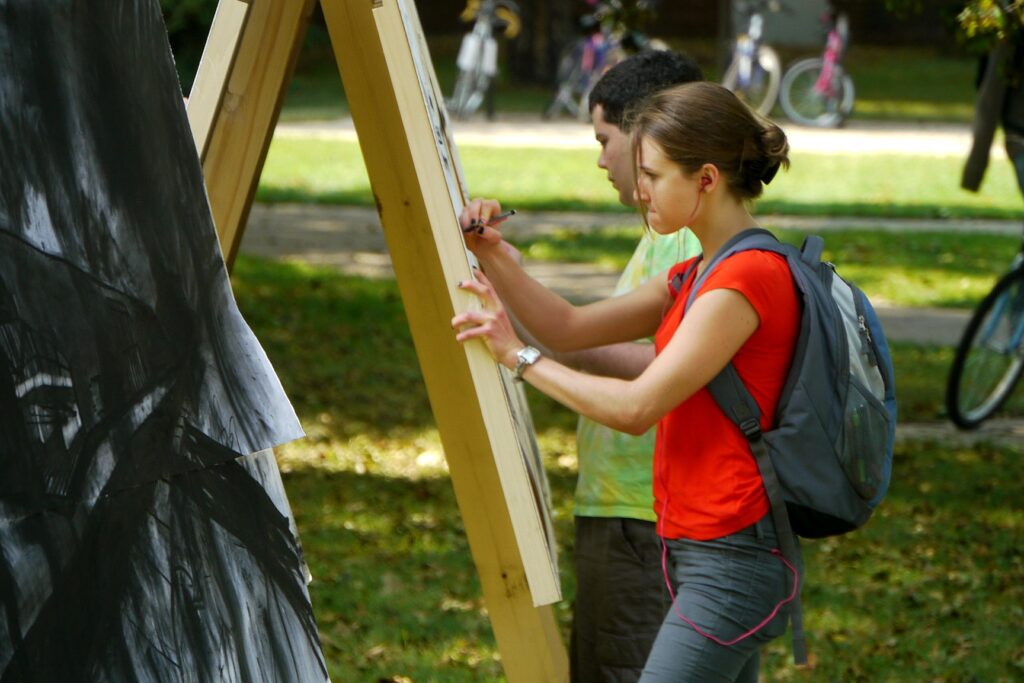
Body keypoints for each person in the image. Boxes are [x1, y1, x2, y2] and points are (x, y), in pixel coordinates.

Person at [452, 81, 797, 682]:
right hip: (700, 548)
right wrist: (493, 253)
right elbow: (569, 325)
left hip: (735, 556)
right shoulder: (696, 274)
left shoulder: (744, 281)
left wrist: (517, 358)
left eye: (654, 175)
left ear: (707, 179)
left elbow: (637, 407)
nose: (639, 191)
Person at [519, 49, 704, 682]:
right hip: (633, 511)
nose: (600, 159)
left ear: (649, 133)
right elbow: (570, 327)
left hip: (643, 517)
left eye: (605, 139)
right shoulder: (668, 233)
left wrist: (526, 353)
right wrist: (501, 277)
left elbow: (659, 369)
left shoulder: (685, 237)